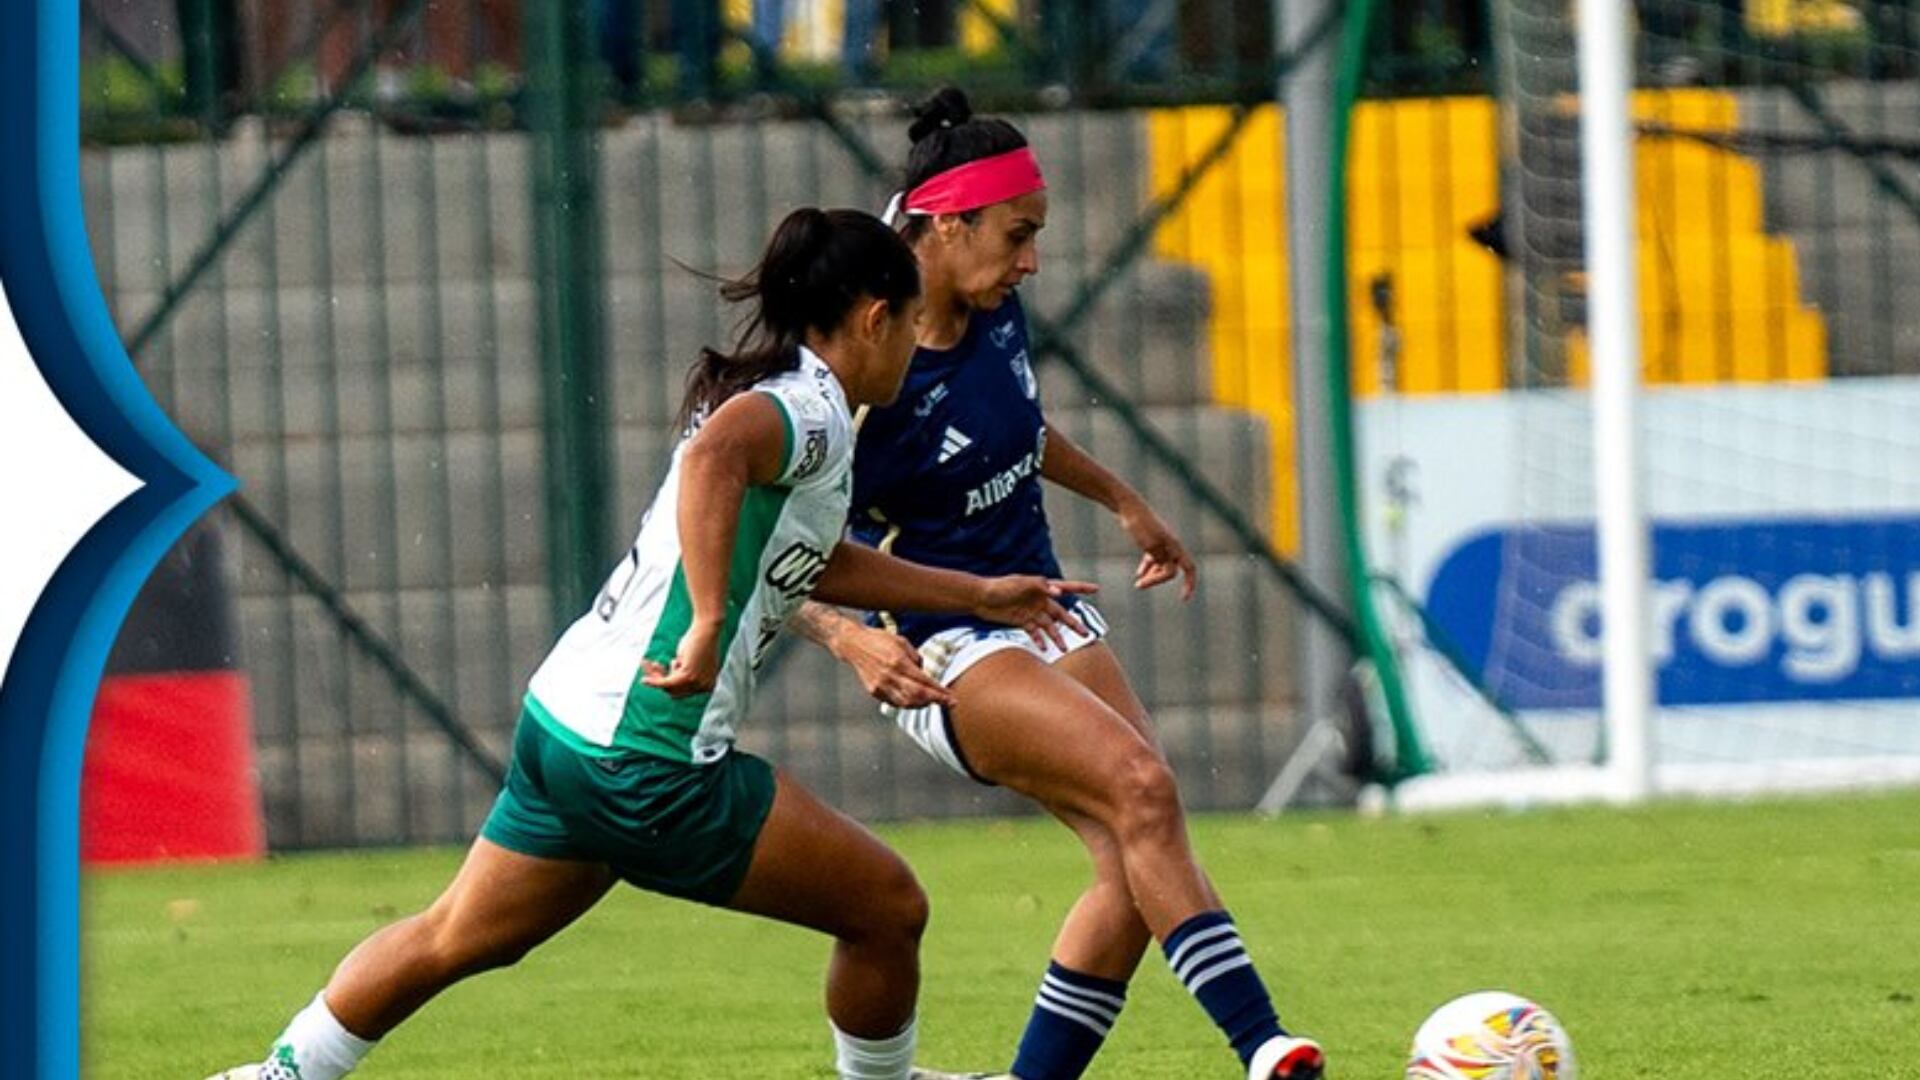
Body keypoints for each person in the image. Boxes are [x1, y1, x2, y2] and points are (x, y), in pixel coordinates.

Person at [204, 207, 1096, 1080]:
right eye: (909, 325)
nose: (914, 345)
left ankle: (280, 1073)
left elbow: (813, 558)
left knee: (454, 935)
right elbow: (716, 460)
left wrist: (977, 594)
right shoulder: (810, 408)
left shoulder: (781, 392)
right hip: (649, 758)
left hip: (564, 726)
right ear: (875, 318)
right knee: (887, 908)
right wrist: (710, 620)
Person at [790, 89, 1327, 1080]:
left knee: (1136, 859)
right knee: (1140, 790)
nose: (1032, 259)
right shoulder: (859, 363)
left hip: (1041, 609)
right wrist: (846, 634)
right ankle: (1267, 1048)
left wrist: (1125, 500)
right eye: (1018, 234)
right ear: (947, 227)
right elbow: (770, 537)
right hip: (941, 640)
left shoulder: (992, 308)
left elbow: (1018, 427)